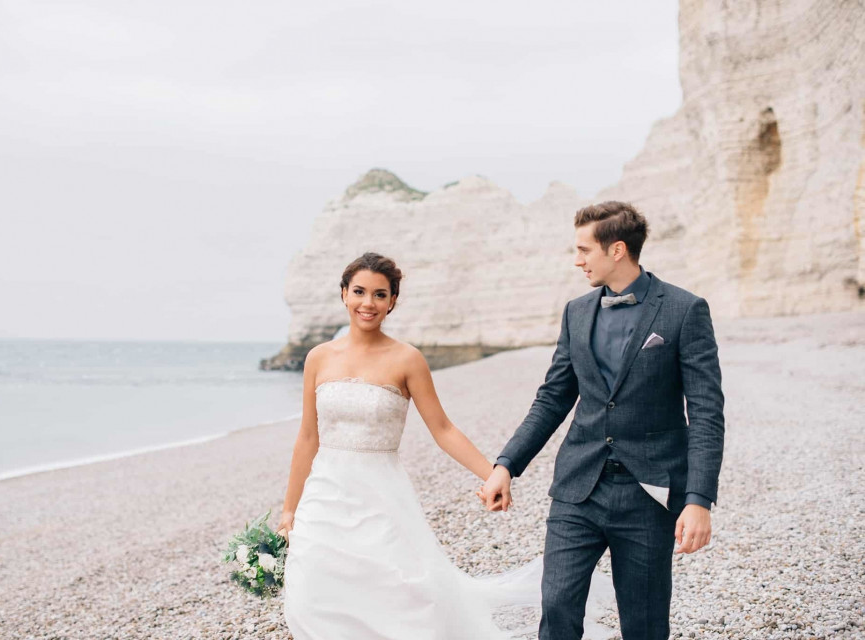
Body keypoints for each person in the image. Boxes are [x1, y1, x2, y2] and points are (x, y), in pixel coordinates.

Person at [279, 252, 577, 639]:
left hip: (381, 496)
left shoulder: (407, 359)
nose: (368, 303)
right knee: (312, 592)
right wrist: (290, 509)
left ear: (392, 301)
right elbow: (308, 437)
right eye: (359, 292)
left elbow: (443, 429)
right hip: (324, 497)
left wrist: (493, 474)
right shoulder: (318, 358)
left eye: (380, 295)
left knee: (395, 593)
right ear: (343, 294)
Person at [481, 201, 725, 640]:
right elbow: (553, 398)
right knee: (557, 605)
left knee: (644, 623)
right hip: (578, 488)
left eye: (583, 250)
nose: (577, 261)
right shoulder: (576, 312)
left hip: (649, 493)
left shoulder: (684, 310)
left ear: (617, 250)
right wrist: (506, 465)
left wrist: (698, 500)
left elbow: (706, 413)